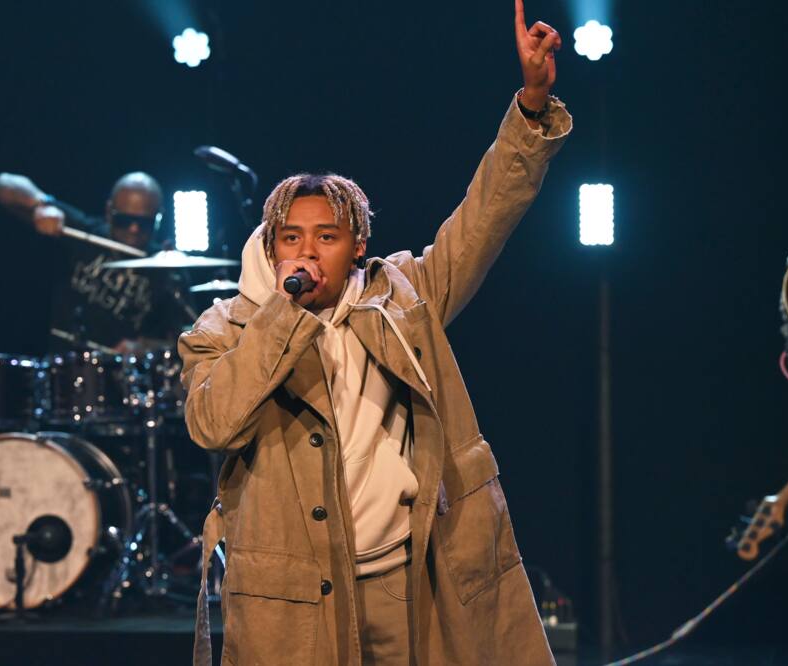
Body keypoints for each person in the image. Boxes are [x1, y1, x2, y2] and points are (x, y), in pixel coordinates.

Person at [178, 2, 572, 664]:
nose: (308, 252)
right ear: (270, 247)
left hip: (405, 577)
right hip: (297, 601)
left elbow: (485, 215)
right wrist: (285, 314)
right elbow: (212, 424)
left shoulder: (405, 297)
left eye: (326, 237)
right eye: (292, 238)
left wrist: (531, 108)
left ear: (357, 245)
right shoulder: (226, 328)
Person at [0, 170, 182, 351]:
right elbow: (3, 183)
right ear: (109, 211)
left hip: (126, 377)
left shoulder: (168, 267)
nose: (134, 229)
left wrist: (144, 348)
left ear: (159, 217)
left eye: (144, 223)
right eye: (124, 220)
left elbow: (188, 339)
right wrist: (42, 204)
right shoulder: (84, 233)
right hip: (64, 367)